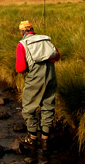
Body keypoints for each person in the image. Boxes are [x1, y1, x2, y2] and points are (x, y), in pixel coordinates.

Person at [15, 20, 60, 151]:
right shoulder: (46, 40)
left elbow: (20, 68)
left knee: (28, 108)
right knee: (48, 106)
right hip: (51, 76)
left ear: (22, 31)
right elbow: (57, 56)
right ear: (32, 29)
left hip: (35, 77)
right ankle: (45, 141)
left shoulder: (22, 44)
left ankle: (32, 139)